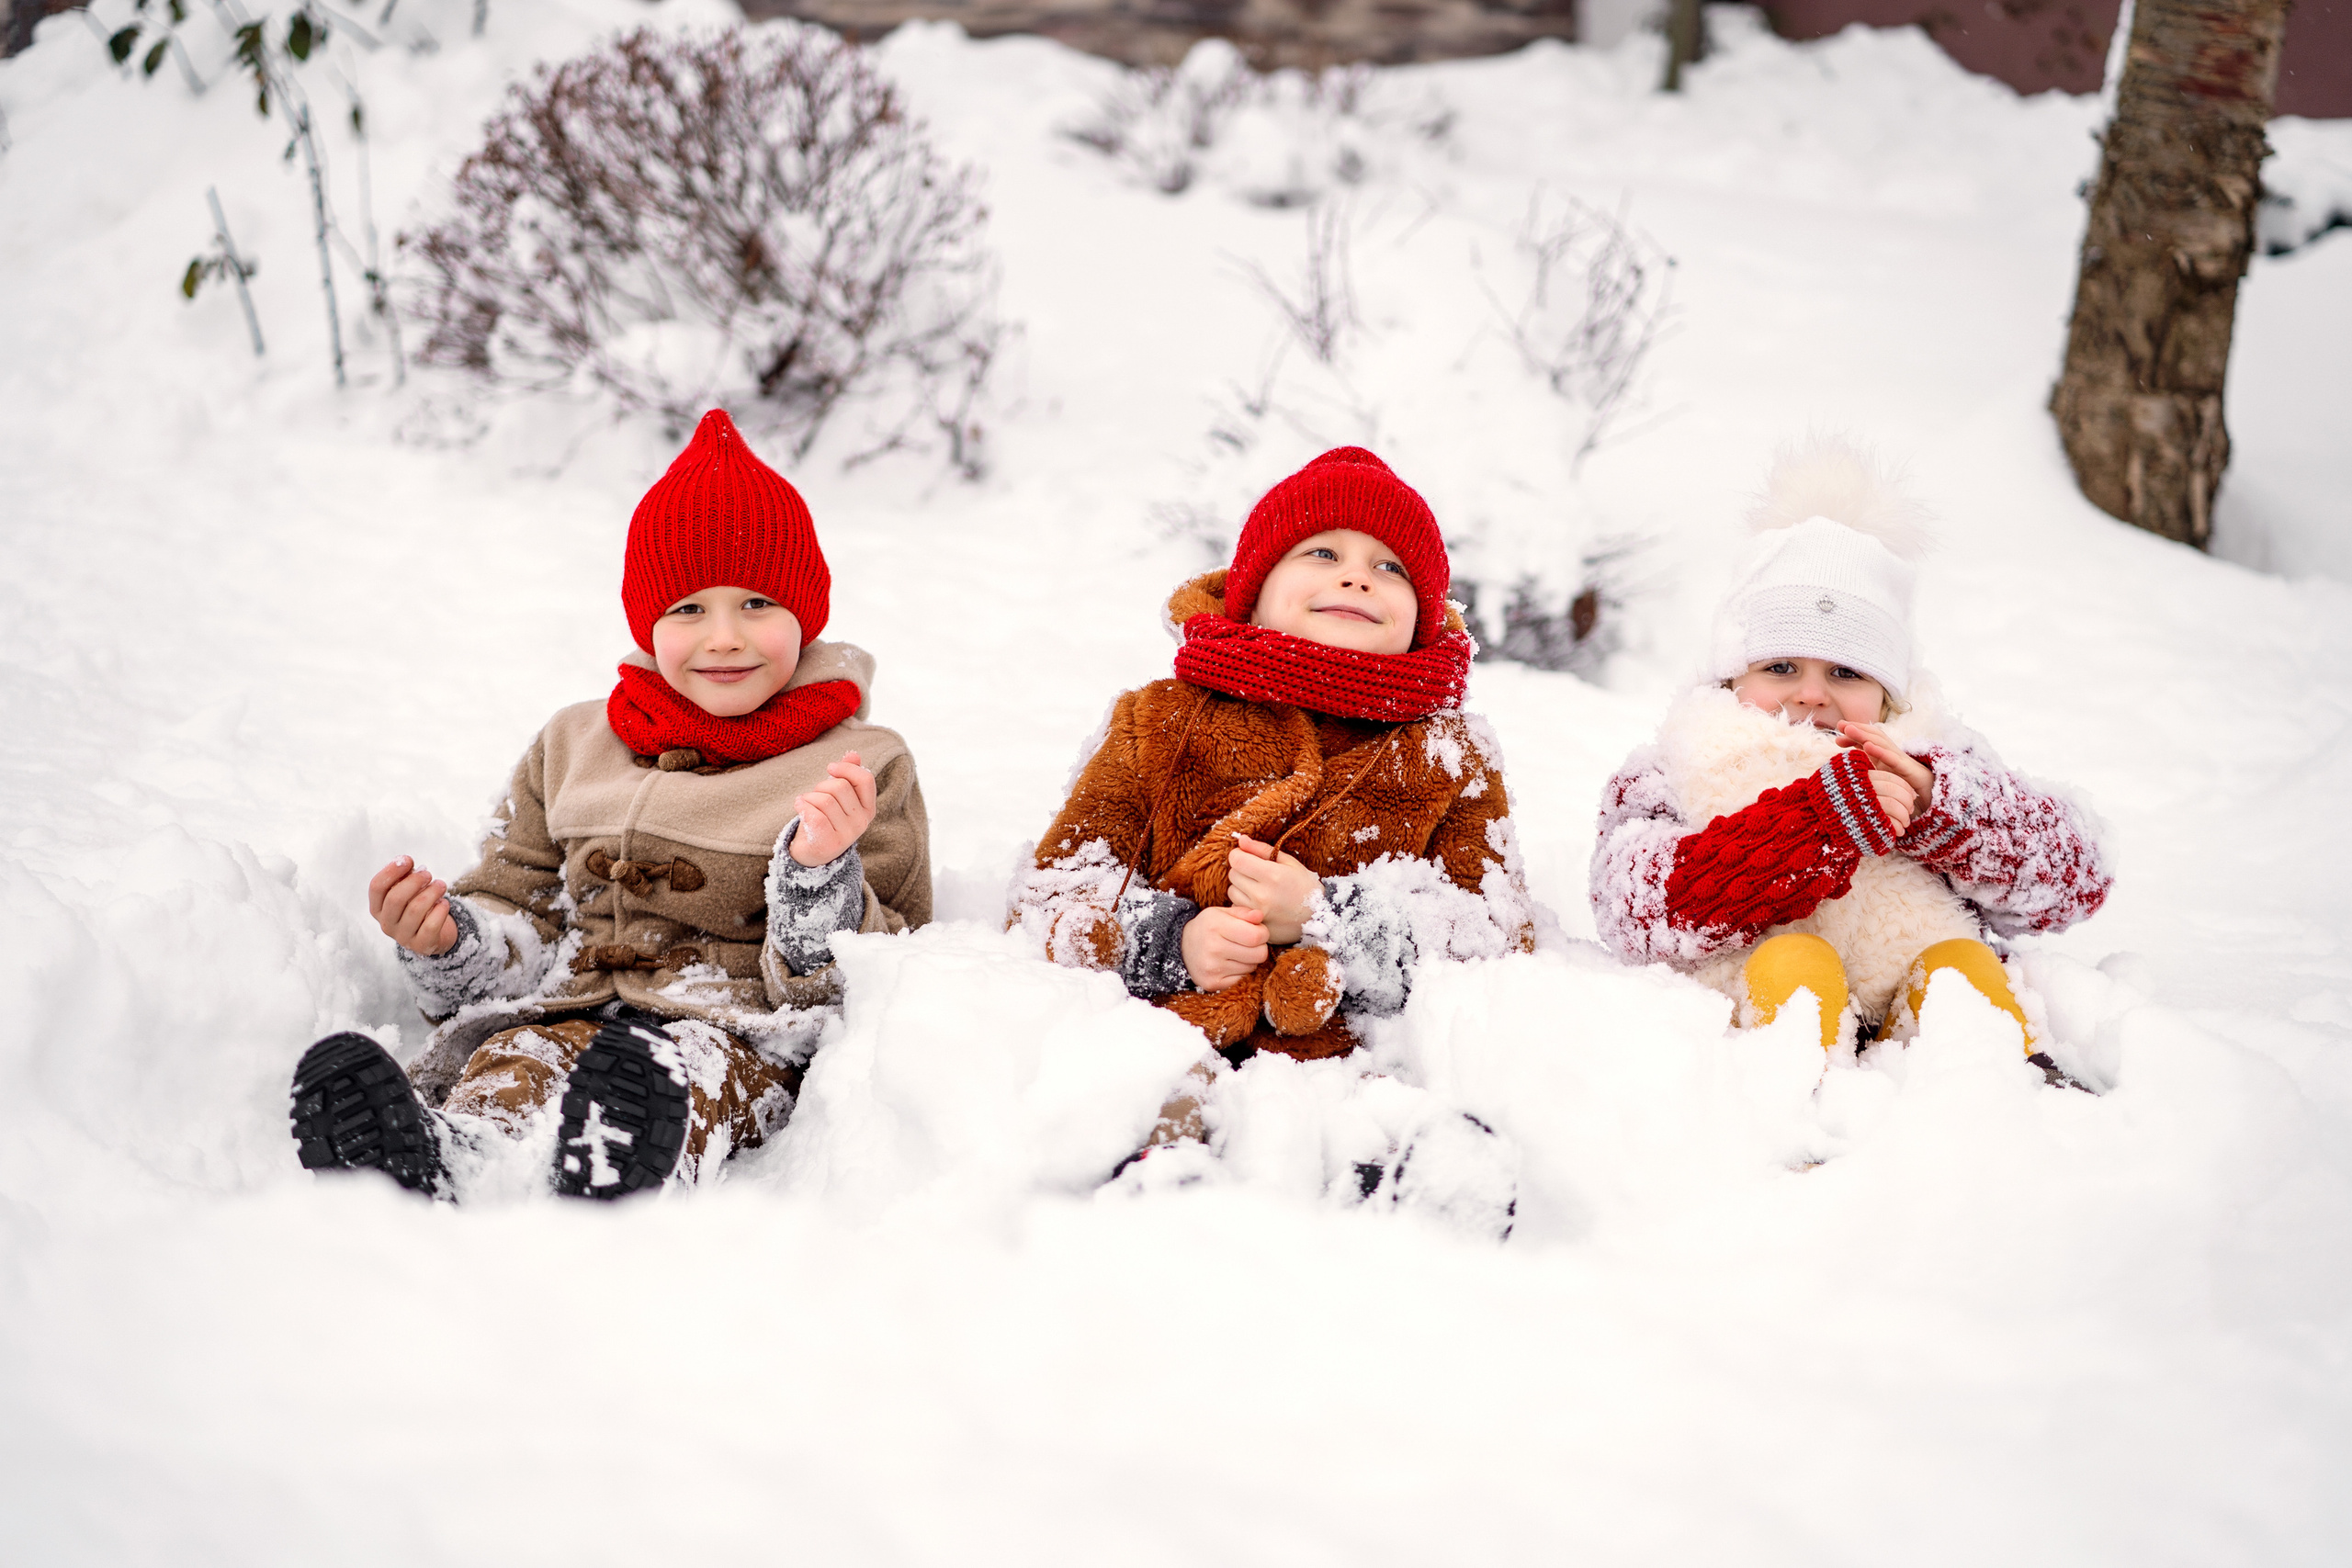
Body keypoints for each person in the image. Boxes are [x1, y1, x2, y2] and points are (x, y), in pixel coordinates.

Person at [289, 410, 932, 1199]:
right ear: (647, 619)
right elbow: (520, 905)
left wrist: (818, 878)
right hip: (570, 1011)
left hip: (741, 1036)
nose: (724, 636)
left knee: (689, 1073)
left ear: (806, 608)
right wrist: (450, 941)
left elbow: (892, 969)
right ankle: (450, 1154)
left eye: (757, 602)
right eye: (688, 608)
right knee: (515, 1060)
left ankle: (626, 1154)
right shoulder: (572, 743)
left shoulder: (861, 765)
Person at [1009, 446, 1535, 1205]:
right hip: (1177, 1030)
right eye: (1322, 553)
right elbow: (1056, 889)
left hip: (1356, 1052)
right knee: (1161, 1094)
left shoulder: (1450, 752)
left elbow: (1495, 926)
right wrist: (1172, 943)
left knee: (1383, 1118)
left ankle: (1422, 1199)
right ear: (1253, 593)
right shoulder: (1158, 720)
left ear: (1422, 619)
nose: (1356, 577)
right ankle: (1164, 1185)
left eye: (1390, 567)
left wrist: (1331, 918)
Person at [1589, 439, 2109, 1075]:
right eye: (1781, 666)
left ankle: (2009, 1091)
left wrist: (1938, 807)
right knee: (1795, 966)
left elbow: (2077, 879)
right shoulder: (1675, 765)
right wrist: (1814, 824)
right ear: (1730, 674)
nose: (1812, 694)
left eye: (1846, 671)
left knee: (1963, 970)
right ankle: (1794, 1099)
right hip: (1759, 1016)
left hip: (1919, 1027)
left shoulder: (1930, 757)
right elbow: (1634, 909)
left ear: (1888, 692)